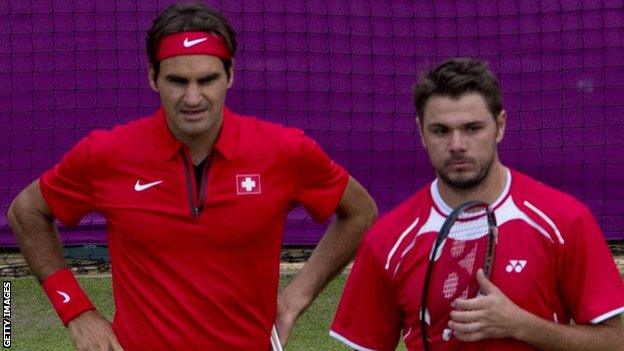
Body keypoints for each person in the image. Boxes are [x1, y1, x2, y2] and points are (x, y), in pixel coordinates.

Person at [7, 3, 377, 350]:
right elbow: (27, 212)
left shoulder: (285, 150)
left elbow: (359, 211)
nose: (193, 97)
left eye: (207, 79)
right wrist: (75, 310)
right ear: (153, 78)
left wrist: (294, 300)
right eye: (178, 80)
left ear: (230, 76)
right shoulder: (107, 154)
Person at [330, 58, 624, 350]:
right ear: (421, 132)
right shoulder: (388, 240)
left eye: (472, 128)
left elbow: (615, 342)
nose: (457, 145)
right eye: (441, 130)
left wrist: (523, 325)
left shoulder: (564, 220)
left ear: (500, 126)